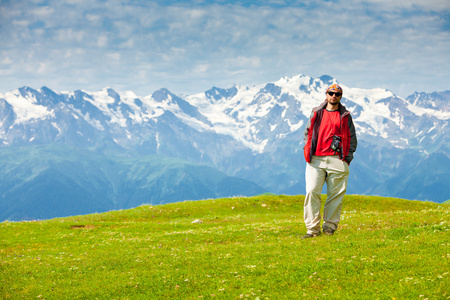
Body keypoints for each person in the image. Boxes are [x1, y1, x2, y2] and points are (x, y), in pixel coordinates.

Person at [301, 83, 357, 239]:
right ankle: (312, 229)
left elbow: (352, 138)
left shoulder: (345, 115)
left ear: (340, 97)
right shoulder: (316, 113)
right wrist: (307, 151)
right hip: (315, 159)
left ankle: (329, 227)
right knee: (312, 191)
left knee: (335, 195)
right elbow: (307, 133)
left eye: (337, 94)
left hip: (337, 159)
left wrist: (347, 158)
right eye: (331, 93)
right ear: (326, 95)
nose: (334, 96)